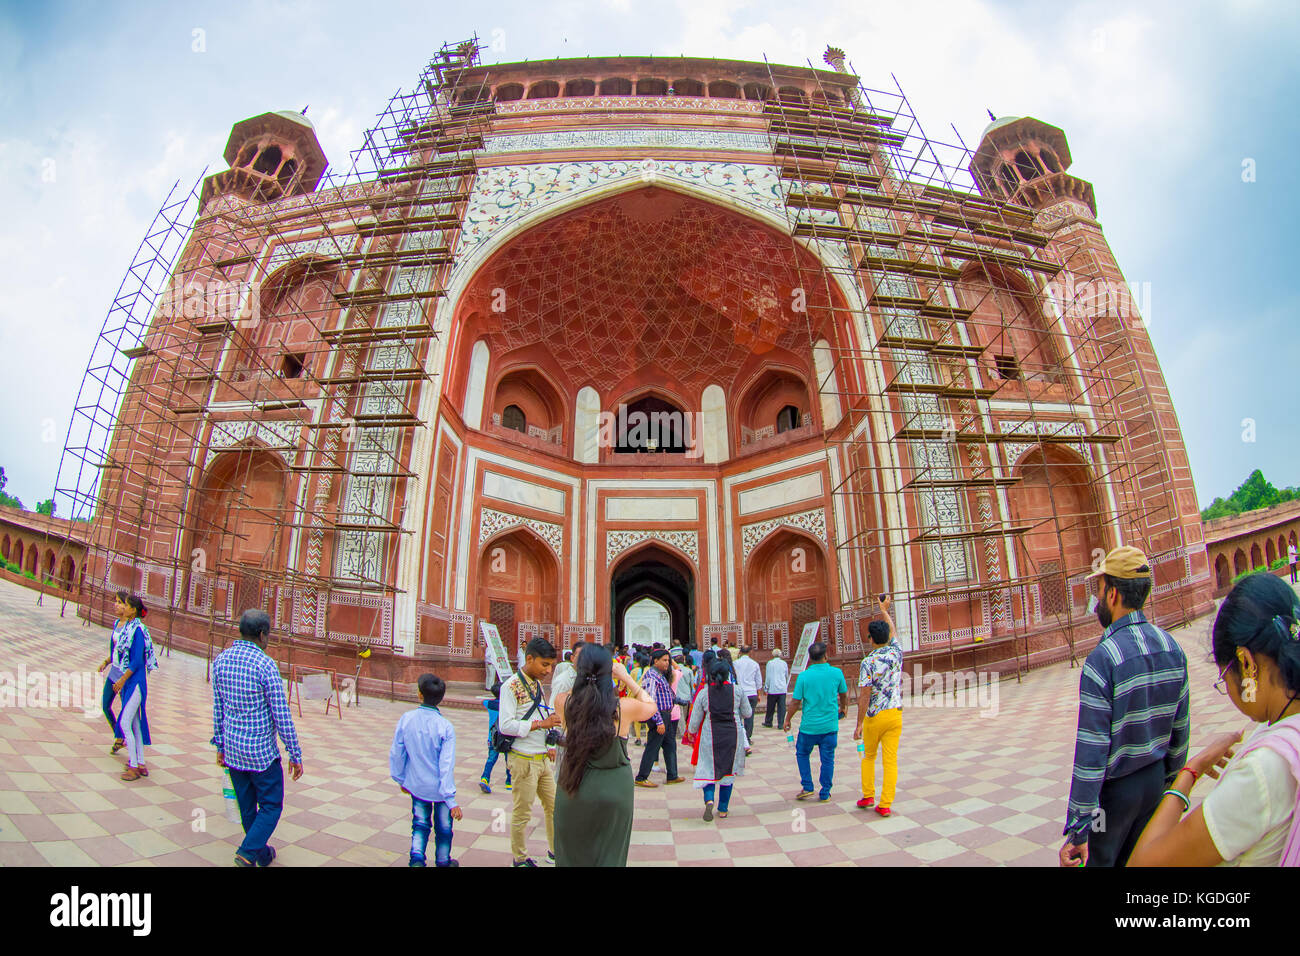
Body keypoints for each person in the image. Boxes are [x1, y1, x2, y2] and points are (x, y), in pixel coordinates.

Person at [1128, 572, 1300, 866]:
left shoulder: (1265, 770)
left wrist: (1190, 772)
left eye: (1225, 677)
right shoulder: (1284, 734)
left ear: (1245, 662)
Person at [1059, 546, 1190, 868]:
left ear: (1113, 594)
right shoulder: (1172, 647)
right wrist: (1168, 784)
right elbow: (1180, 730)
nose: (1098, 600)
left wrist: (1078, 829)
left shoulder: (1103, 660)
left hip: (1115, 795)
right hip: (1154, 781)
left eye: (1100, 590)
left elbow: (1092, 752)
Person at [212, 609, 304, 868]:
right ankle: (246, 852)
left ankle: (261, 854)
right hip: (261, 753)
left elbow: (218, 709)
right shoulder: (265, 665)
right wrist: (294, 753)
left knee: (247, 807)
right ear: (263, 635)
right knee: (272, 806)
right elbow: (281, 714)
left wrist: (219, 744)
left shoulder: (221, 660)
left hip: (233, 749)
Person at [554, 646, 658, 866]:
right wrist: (626, 677)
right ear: (610, 672)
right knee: (610, 856)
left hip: (573, 785)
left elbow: (579, 696)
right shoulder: (622, 709)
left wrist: (585, 678)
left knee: (571, 855)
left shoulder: (564, 703)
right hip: (614, 791)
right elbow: (651, 706)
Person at [498, 636, 561, 867]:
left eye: (551, 665)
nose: (548, 670)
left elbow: (538, 714)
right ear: (530, 658)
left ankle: (555, 851)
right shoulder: (511, 686)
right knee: (522, 812)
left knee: (554, 808)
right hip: (523, 759)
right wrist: (539, 725)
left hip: (541, 758)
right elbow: (506, 725)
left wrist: (549, 740)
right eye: (545, 664)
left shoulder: (535, 684)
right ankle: (520, 858)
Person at [390, 674, 462, 867]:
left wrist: (401, 779)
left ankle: (417, 861)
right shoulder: (445, 726)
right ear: (441, 698)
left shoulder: (407, 719)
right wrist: (450, 798)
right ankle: (443, 861)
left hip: (417, 785)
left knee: (420, 825)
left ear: (420, 695)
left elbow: (397, 752)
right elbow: (446, 765)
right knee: (444, 829)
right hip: (440, 790)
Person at [854, 596, 904, 817]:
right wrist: (884, 610)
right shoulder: (896, 653)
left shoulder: (868, 662)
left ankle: (868, 795)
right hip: (895, 714)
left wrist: (858, 723)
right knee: (890, 759)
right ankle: (885, 804)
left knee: (869, 756)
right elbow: (893, 631)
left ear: (871, 640)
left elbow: (864, 695)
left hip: (875, 716)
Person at [688, 658, 752, 820]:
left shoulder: (704, 693)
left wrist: (691, 731)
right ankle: (723, 808)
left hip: (710, 735)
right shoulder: (737, 691)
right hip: (732, 735)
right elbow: (748, 713)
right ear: (728, 674)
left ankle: (709, 799)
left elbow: (694, 721)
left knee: (708, 769)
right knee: (727, 772)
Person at [784, 641, 848, 802]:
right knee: (828, 759)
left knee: (802, 753)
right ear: (826, 655)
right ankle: (825, 791)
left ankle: (807, 786)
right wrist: (844, 707)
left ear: (810, 658)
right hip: (830, 726)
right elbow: (844, 694)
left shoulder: (804, 676)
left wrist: (787, 719)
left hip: (809, 727)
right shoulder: (836, 673)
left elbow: (795, 702)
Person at [109, 592, 157, 781]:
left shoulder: (137, 630)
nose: (123, 607)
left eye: (126, 605)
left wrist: (121, 679)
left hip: (136, 682)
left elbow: (137, 660)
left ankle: (133, 765)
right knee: (135, 724)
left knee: (124, 723)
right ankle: (141, 763)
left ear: (133, 610)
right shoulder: (130, 628)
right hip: (131, 682)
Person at [635, 648, 683, 787]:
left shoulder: (660, 675)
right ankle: (641, 777)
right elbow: (650, 700)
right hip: (659, 716)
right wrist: (659, 721)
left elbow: (666, 695)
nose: (667, 663)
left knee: (670, 745)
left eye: (668, 660)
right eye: (664, 660)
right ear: (655, 661)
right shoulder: (651, 676)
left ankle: (672, 775)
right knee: (653, 746)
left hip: (666, 714)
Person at [97, 591, 135, 756]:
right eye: (116, 601)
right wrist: (106, 662)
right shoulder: (116, 624)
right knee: (105, 704)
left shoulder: (131, 628)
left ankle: (125, 741)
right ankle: (118, 735)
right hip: (114, 672)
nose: (116, 605)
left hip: (124, 675)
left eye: (120, 602)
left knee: (126, 709)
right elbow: (115, 651)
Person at [551, 642, 588, 780]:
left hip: (581, 735)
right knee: (563, 775)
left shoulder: (585, 678)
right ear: (572, 658)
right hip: (566, 735)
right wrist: (552, 744)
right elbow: (554, 710)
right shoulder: (564, 680)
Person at [479, 678, 512, 793]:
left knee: (491, 759)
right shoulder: (508, 706)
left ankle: (485, 778)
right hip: (507, 737)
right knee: (509, 760)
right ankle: (509, 782)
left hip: (492, 737)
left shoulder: (489, 704)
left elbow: (483, 701)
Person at [733, 646, 762, 750]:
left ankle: (741, 738)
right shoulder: (754, 664)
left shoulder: (735, 663)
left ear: (740, 652)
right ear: (750, 652)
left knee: (738, 716)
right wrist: (759, 694)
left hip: (740, 692)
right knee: (750, 716)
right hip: (751, 692)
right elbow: (758, 681)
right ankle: (748, 738)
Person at [762, 648, 789, 729]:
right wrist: (785, 683)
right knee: (782, 707)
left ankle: (768, 721)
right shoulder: (784, 663)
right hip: (782, 688)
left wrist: (766, 687)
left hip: (773, 688)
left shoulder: (770, 663)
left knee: (770, 707)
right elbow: (786, 675)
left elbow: (768, 676)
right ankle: (781, 723)